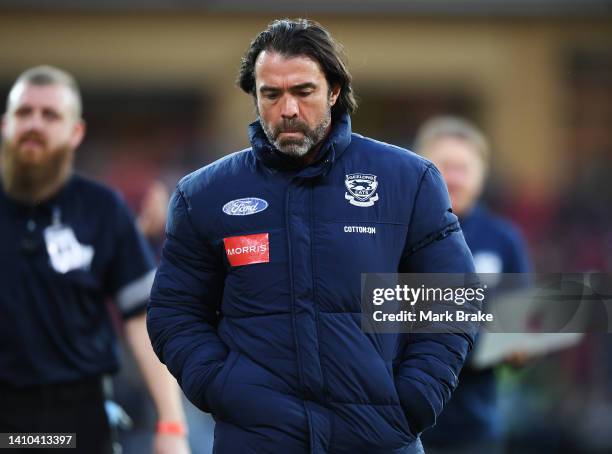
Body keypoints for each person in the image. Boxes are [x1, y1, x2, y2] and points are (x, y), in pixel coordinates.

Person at [148, 19, 477, 453]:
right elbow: (174, 312)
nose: (288, 109)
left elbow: (450, 297)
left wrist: (413, 398)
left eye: (303, 92)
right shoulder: (205, 195)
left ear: (334, 92)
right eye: (272, 94)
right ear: (256, 97)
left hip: (381, 438)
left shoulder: (407, 179)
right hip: (257, 438)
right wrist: (223, 386)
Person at [0, 65, 190, 454]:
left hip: (76, 421)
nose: (34, 123)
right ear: (6, 124)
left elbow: (142, 319)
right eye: (24, 113)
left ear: (76, 133)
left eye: (50, 115)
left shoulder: (102, 209)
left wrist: (171, 424)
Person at [415, 116, 532, 454]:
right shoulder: (394, 233)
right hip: (403, 423)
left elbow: (523, 329)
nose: (454, 177)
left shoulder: (503, 239)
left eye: (464, 168)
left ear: (482, 173)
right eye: (445, 166)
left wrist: (522, 345)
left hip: (476, 426)